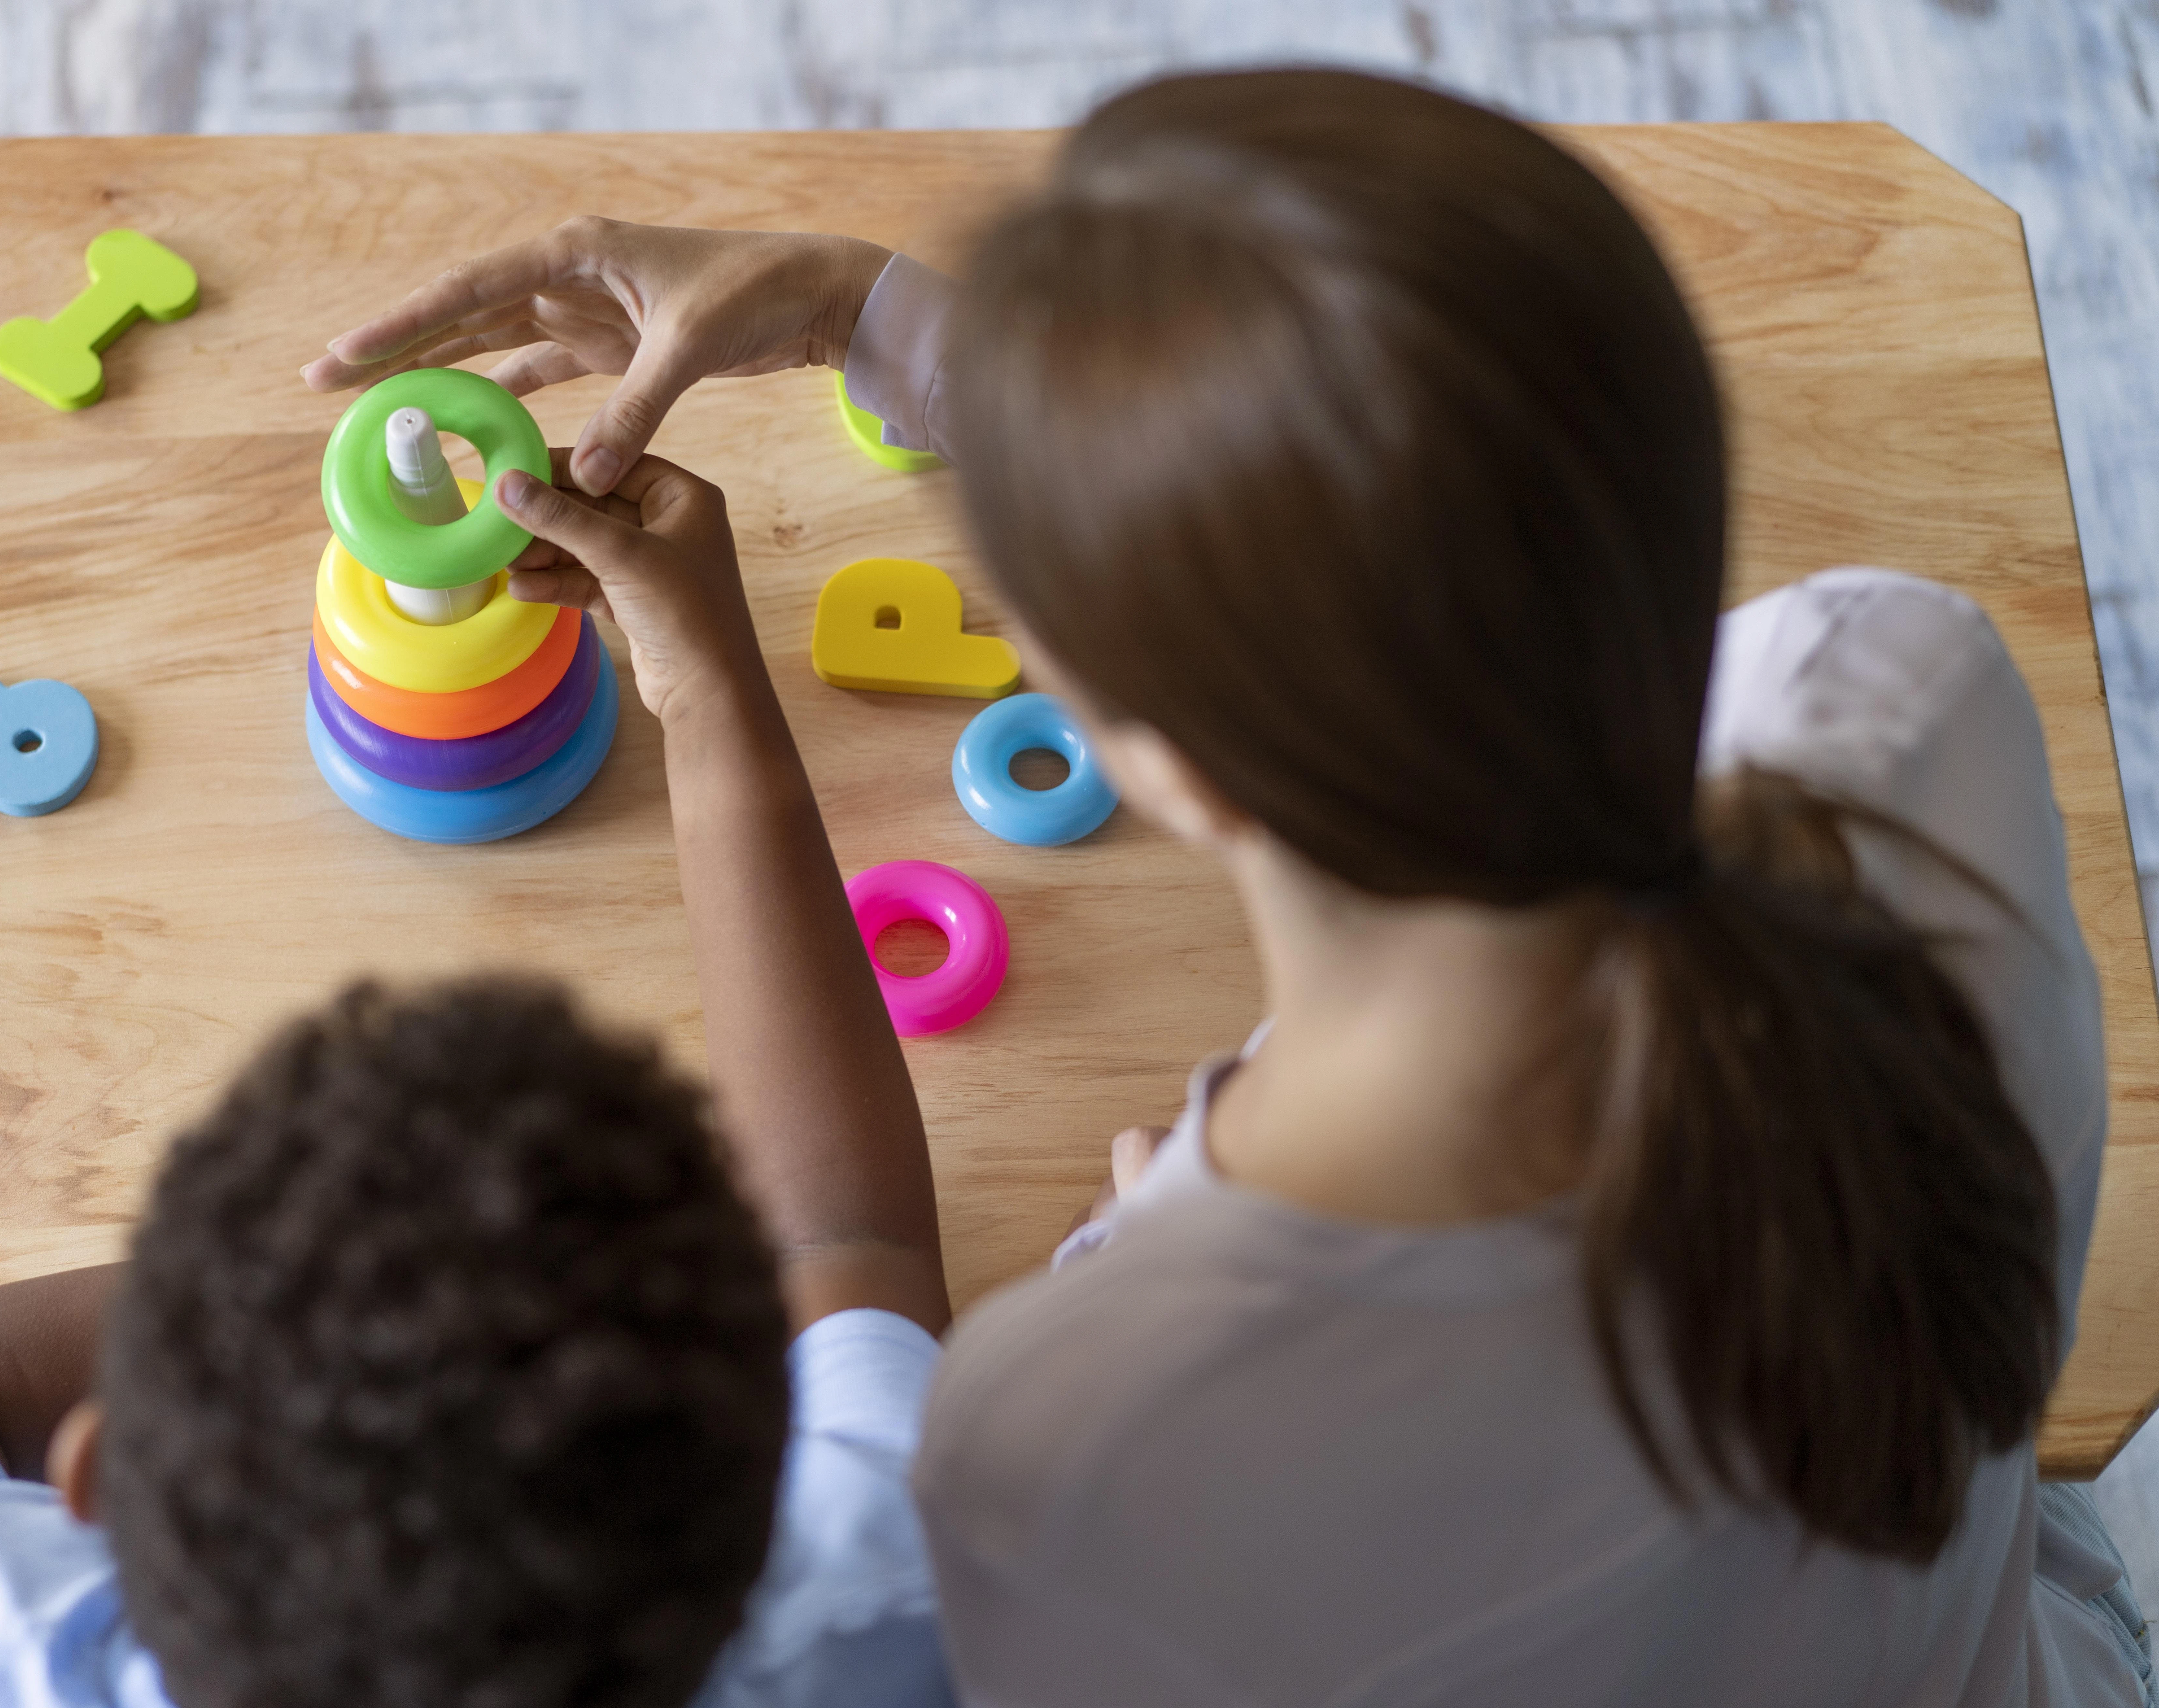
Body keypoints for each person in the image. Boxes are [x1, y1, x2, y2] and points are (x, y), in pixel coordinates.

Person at [306, 65, 2152, 1707]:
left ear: (1153, 762)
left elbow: (852, 1274)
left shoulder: (1081, 1455)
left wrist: (1163, 1259)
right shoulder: (1897, 702)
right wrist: (877, 317)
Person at [0, 436, 964, 1702]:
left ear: (94, 1477)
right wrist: (707, 687)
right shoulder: (879, 1605)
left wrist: (270, 1285)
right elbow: (845, 1234)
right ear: (757, 1499)